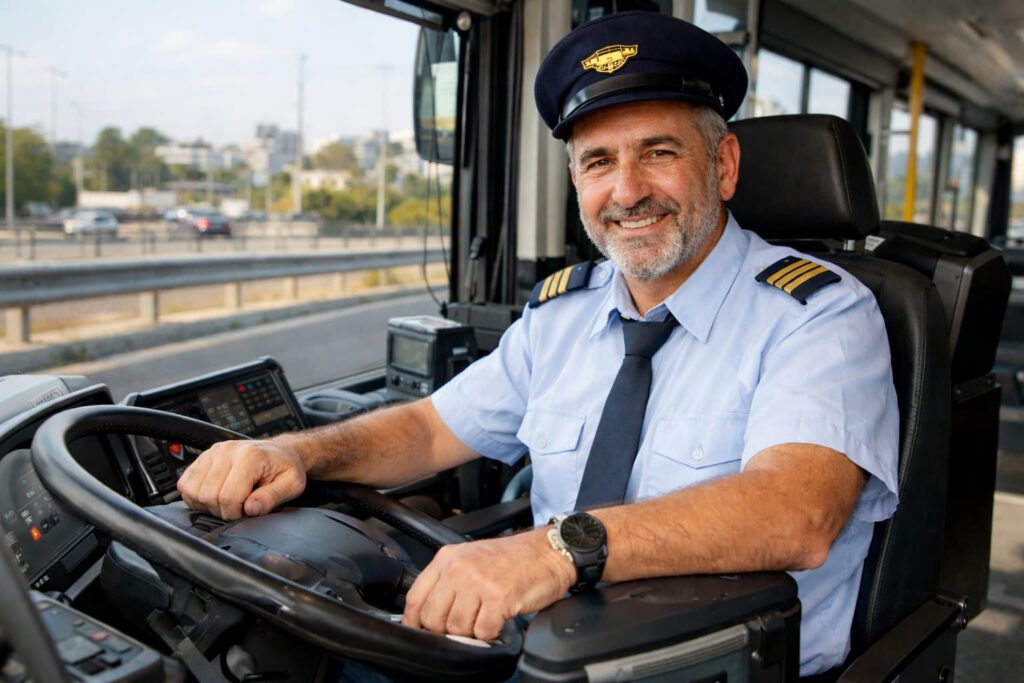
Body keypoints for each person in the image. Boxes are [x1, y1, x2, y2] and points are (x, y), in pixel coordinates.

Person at [177, 11, 898, 677]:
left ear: (725, 165)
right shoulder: (562, 316)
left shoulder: (819, 315)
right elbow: (430, 428)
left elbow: (794, 513)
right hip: (542, 647)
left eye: (658, 152)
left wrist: (554, 550)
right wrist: (296, 454)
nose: (627, 191)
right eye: (598, 162)